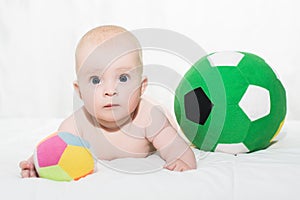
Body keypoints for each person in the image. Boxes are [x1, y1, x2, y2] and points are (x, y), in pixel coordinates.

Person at [19, 25, 196, 178]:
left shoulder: (148, 118)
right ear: (79, 91)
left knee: (168, 123)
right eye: (96, 81)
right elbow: (51, 151)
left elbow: (177, 150)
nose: (110, 91)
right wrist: (34, 164)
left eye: (123, 78)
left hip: (157, 112)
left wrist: (179, 159)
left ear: (142, 87)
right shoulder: (75, 126)